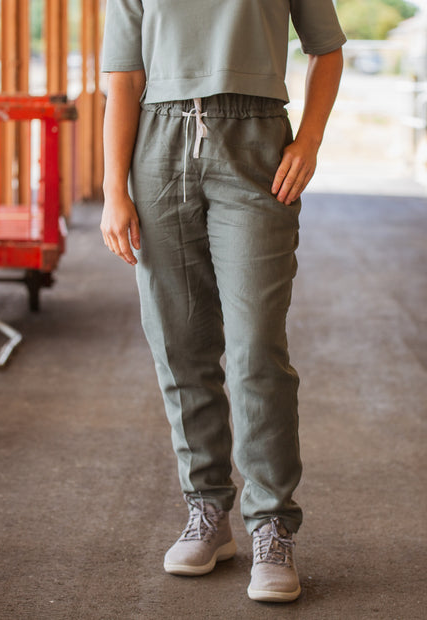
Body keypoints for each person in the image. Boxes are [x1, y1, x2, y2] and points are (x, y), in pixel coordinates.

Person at [101, 0, 345, 603]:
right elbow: (124, 78)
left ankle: (271, 527)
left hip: (257, 141)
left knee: (256, 347)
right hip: (158, 146)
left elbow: (327, 48)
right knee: (179, 342)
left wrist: (309, 139)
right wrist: (113, 188)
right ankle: (206, 509)